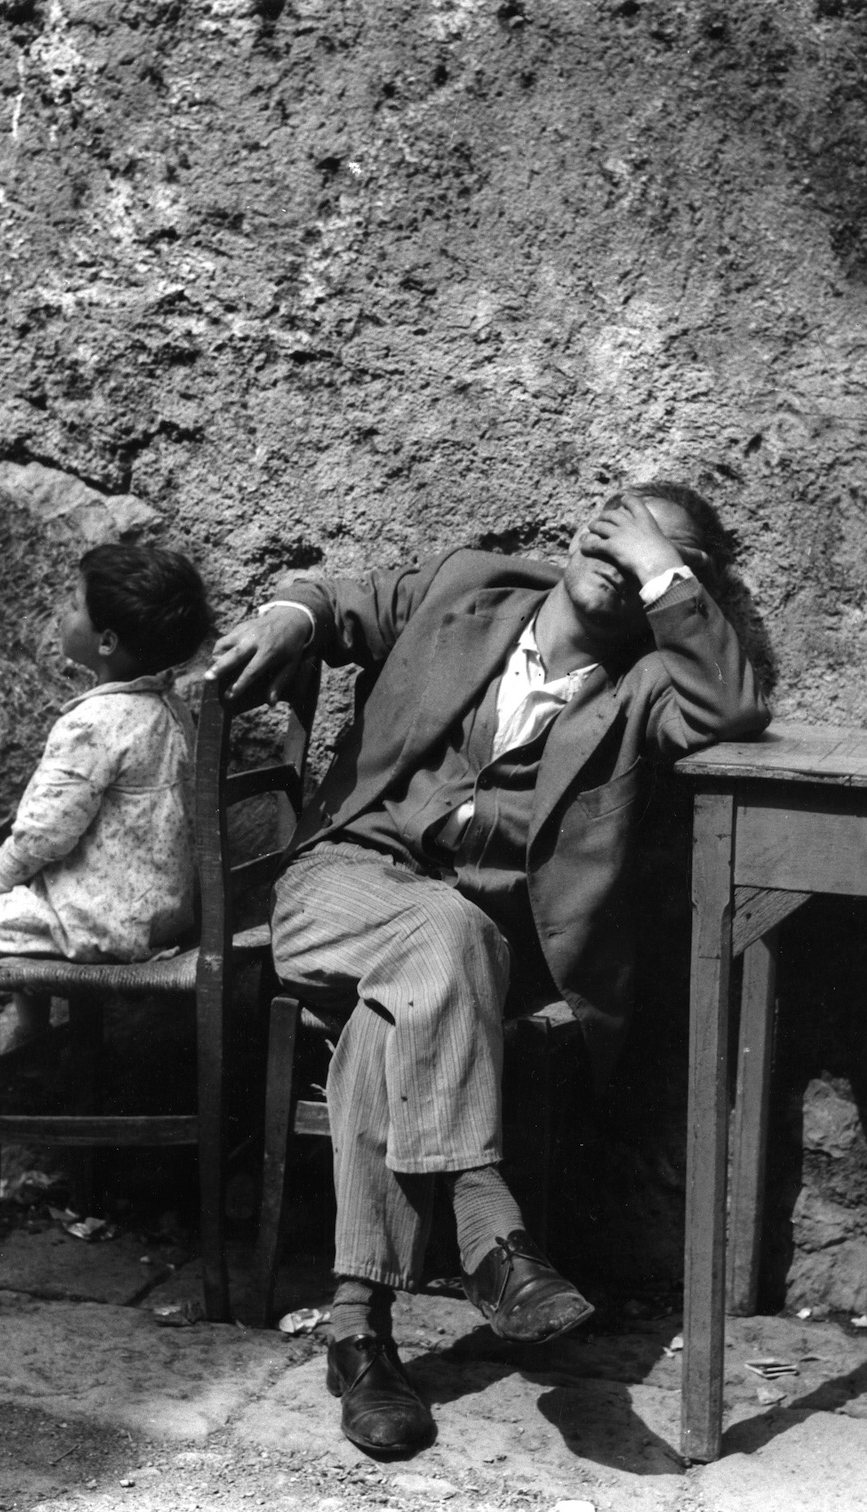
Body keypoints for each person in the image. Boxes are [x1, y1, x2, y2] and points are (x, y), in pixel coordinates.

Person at [207, 482, 771, 1454]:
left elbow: (734, 704)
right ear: (584, 530)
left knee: (402, 1005)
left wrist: (661, 569)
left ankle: (358, 1337)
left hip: (473, 955)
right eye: (616, 538)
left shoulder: (645, 685)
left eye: (655, 560)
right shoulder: (471, 585)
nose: (624, 564)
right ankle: (486, 1225)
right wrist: (290, 615)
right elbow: (337, 600)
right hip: (339, 888)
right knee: (443, 933)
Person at [0, 543, 211, 1153]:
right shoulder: (168, 708)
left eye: (72, 603)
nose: (61, 612)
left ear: (107, 641)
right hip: (159, 908)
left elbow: (44, 832)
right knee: (4, 911)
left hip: (103, 919)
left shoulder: (92, 724)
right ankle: (32, 1039)